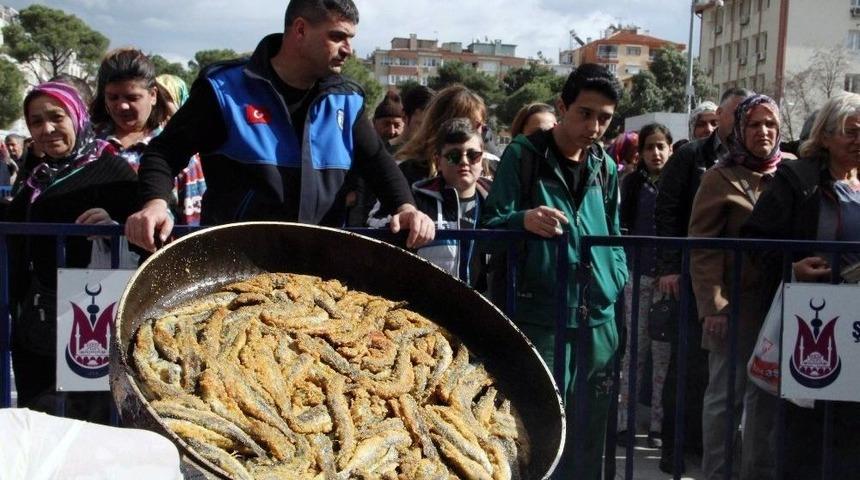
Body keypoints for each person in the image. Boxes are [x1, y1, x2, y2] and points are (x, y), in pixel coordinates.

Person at [125, 0, 434, 250]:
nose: (348, 49)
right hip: (230, 266)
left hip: (315, 273)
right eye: (337, 36)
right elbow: (163, 154)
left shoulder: (346, 100)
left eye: (350, 39)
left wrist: (405, 207)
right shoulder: (225, 89)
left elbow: (378, 162)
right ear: (300, 30)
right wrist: (154, 204)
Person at [482, 63, 628, 479]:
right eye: (585, 113)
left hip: (598, 323)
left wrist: (615, 278)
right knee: (537, 432)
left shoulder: (606, 166)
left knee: (591, 437)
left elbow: (614, 234)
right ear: (562, 107)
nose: (594, 126)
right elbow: (489, 226)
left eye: (604, 117)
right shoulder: (523, 157)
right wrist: (520, 220)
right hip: (539, 320)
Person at [741, 92, 860, 480]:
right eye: (851, 132)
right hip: (813, 325)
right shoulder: (797, 179)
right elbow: (753, 243)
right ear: (824, 136)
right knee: (807, 433)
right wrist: (792, 266)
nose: (859, 140)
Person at [6, 82, 138, 422]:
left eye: (56, 117)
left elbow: (147, 236)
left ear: (78, 116)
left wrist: (115, 227)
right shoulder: (37, 177)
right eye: (36, 122)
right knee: (38, 422)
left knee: (89, 426)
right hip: (35, 323)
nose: (46, 130)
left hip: (89, 326)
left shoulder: (114, 171)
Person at [655, 87, 752, 472]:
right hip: (693, 277)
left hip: (740, 287)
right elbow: (668, 211)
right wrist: (667, 266)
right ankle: (675, 449)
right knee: (687, 367)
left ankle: (710, 450)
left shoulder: (757, 161)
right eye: (735, 113)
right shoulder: (691, 155)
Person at [690, 94, 783, 480]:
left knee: (767, 399)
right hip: (734, 307)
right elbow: (703, 247)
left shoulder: (791, 172)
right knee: (724, 399)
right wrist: (713, 307)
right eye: (754, 124)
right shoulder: (719, 176)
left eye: (770, 125)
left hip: (779, 305)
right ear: (740, 129)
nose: (763, 132)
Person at [373, 118, 489, 284]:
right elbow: (372, 226)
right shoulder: (414, 199)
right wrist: (402, 222)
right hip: (427, 302)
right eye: (453, 156)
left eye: (472, 155)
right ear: (437, 161)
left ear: (482, 159)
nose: (464, 162)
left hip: (483, 305)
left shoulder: (496, 202)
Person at [616, 123, 673, 449]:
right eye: (650, 147)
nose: (656, 153)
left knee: (662, 354)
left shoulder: (675, 184)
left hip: (667, 281)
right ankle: (625, 421)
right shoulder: (632, 184)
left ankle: (657, 425)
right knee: (633, 352)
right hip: (637, 278)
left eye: (661, 146)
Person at [90, 48, 170, 171]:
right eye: (113, 98)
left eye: (132, 98)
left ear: (153, 95)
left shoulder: (174, 150)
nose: (122, 106)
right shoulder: (88, 144)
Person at [397, 84, 488, 187]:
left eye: (481, 127)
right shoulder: (410, 173)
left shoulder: (487, 172)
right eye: (474, 126)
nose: (478, 133)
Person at [155, 73, 207, 226]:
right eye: (156, 99)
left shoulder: (189, 158)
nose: (159, 107)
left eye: (166, 99)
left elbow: (192, 221)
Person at [390, 85, 435, 150]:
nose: (427, 132)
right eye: (421, 125)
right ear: (404, 117)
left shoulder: (436, 154)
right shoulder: (382, 154)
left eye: (431, 126)